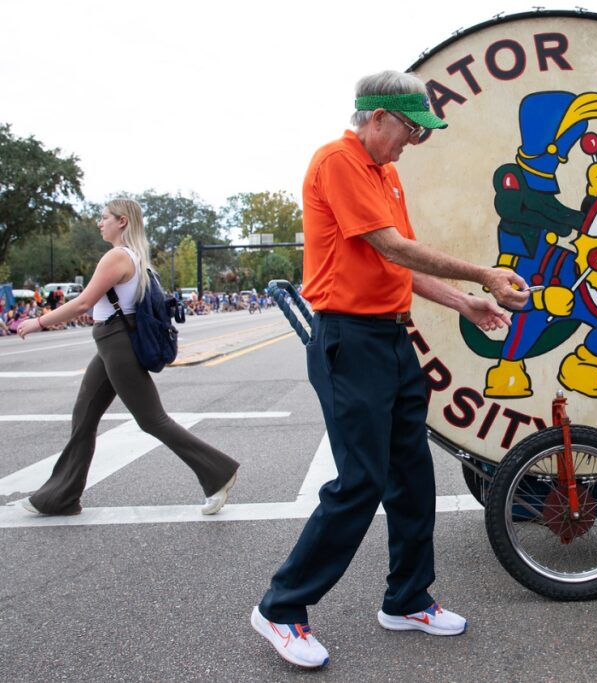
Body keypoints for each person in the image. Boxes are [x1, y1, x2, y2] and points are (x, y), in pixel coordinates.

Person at [249, 70, 529, 670]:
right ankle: (281, 608)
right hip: (349, 340)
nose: (413, 142)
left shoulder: (385, 172)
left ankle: (407, 598)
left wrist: (465, 303)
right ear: (377, 118)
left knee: (413, 473)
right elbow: (392, 247)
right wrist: (482, 275)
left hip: (391, 337)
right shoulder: (338, 161)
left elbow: (400, 264)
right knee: (360, 482)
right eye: (410, 129)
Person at [16, 199, 239, 516]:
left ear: (122, 221)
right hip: (111, 341)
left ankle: (218, 472)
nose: (99, 222)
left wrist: (39, 322)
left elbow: (83, 304)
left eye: (104, 217)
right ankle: (61, 497)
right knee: (84, 417)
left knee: (152, 419)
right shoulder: (136, 257)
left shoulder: (118, 257)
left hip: (117, 340)